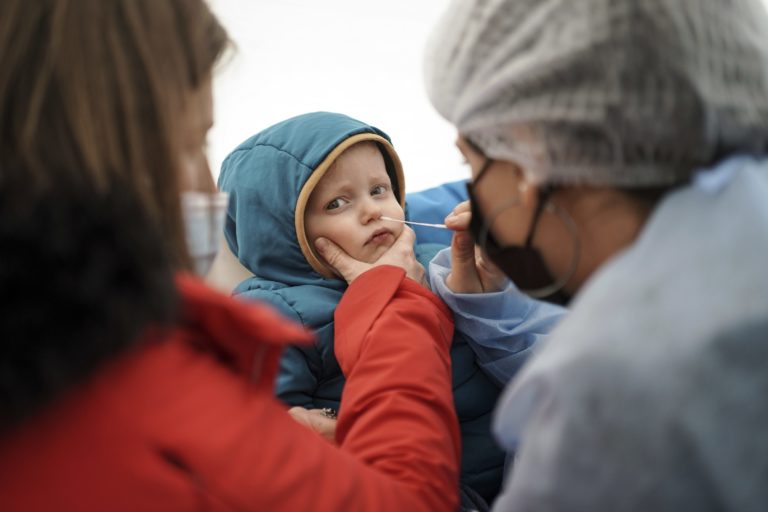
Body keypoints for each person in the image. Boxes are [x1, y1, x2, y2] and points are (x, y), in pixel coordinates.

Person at [0, 1, 464, 510]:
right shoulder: (166, 392)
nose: (205, 183)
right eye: (190, 143)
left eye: (381, 190)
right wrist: (394, 302)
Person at [416, 0, 768, 509]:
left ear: (531, 155)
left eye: (472, 162)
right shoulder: (735, 220)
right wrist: (495, 309)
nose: (476, 194)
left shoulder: (614, 389)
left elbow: (616, 378)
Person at [216, 111, 565, 507]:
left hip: (518, 474)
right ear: (282, 233)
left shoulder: (434, 261)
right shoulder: (275, 313)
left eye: (379, 190)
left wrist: (482, 297)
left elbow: (541, 356)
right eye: (336, 203)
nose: (371, 211)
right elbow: (267, 428)